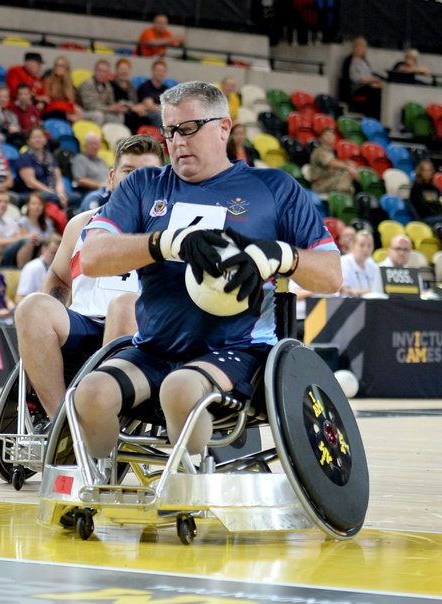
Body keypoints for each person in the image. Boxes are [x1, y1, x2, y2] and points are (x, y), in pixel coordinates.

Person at [71, 80, 340, 470]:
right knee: (90, 393)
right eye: (169, 131)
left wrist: (277, 254)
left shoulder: (274, 188)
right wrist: (168, 242)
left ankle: (192, 477)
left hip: (238, 350)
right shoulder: (144, 185)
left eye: (190, 128)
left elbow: (331, 275)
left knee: (181, 388)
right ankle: (103, 478)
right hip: (154, 347)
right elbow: (93, 256)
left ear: (224, 128)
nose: (177, 141)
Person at [14, 133, 164, 418]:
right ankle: (63, 423)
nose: (136, 181)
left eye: (148, 174)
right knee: (32, 307)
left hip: (144, 333)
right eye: (129, 172)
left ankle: (104, 415)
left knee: (124, 305)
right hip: (84, 324)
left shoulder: (171, 229)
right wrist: (50, 317)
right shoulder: (81, 223)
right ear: (111, 178)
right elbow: (58, 277)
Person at [16, 125, 77, 211]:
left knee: (76, 197)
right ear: (28, 141)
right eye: (34, 137)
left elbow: (58, 179)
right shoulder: (25, 158)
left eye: (40, 137)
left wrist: (60, 194)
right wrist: (52, 193)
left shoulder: (50, 157)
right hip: (33, 193)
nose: (38, 140)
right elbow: (31, 182)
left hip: (53, 192)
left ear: (45, 140)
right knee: (53, 198)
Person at [309, 126, 357, 195]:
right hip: (320, 184)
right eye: (326, 135)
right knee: (346, 176)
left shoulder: (330, 153)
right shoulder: (320, 151)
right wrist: (348, 167)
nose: (330, 137)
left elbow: (334, 161)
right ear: (320, 139)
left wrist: (347, 163)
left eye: (331, 135)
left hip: (330, 181)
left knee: (350, 187)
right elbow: (331, 163)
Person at [77, 59, 126, 127]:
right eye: (100, 71)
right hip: (85, 111)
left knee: (119, 116)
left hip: (102, 111)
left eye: (105, 72)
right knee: (98, 115)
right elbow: (90, 106)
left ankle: (113, 137)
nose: (102, 74)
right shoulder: (87, 84)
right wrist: (110, 109)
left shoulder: (108, 86)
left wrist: (117, 107)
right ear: (95, 71)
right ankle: (97, 136)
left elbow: (111, 103)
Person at [15, 234, 61, 303]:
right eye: (53, 253)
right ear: (43, 250)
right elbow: (20, 298)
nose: (56, 257)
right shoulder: (32, 268)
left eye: (59, 253)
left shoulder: (61, 268)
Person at [346, 37, 383, 120]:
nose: (359, 49)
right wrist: (372, 80)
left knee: (379, 90)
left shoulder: (364, 62)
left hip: (368, 86)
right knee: (373, 91)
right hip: (357, 88)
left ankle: (377, 118)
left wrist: (375, 82)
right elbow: (355, 78)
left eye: (362, 47)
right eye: (357, 46)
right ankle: (371, 116)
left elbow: (369, 75)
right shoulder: (350, 61)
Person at [338, 229, 380, 297]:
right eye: (361, 245)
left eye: (369, 246)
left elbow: (380, 289)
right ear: (352, 246)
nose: (366, 249)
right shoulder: (343, 262)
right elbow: (345, 291)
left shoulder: (372, 264)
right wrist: (371, 291)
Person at [43, 56, 82, 122]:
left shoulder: (70, 85)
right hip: (52, 109)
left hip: (65, 110)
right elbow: (47, 99)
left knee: (78, 111)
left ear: (66, 68)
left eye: (61, 66)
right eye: (56, 65)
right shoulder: (48, 81)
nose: (58, 68)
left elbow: (71, 101)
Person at [136, 60, 169, 130]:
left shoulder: (166, 89)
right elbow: (149, 106)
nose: (160, 73)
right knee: (159, 116)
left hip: (161, 112)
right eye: (158, 70)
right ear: (152, 71)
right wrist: (164, 109)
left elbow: (169, 106)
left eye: (162, 71)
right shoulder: (146, 86)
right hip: (147, 114)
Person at [410, 160, 442, 227]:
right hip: (425, 217)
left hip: (437, 216)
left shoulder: (435, 188)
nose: (427, 173)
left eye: (429, 170)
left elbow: (438, 204)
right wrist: (437, 213)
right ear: (420, 172)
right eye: (425, 170)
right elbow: (422, 206)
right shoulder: (416, 188)